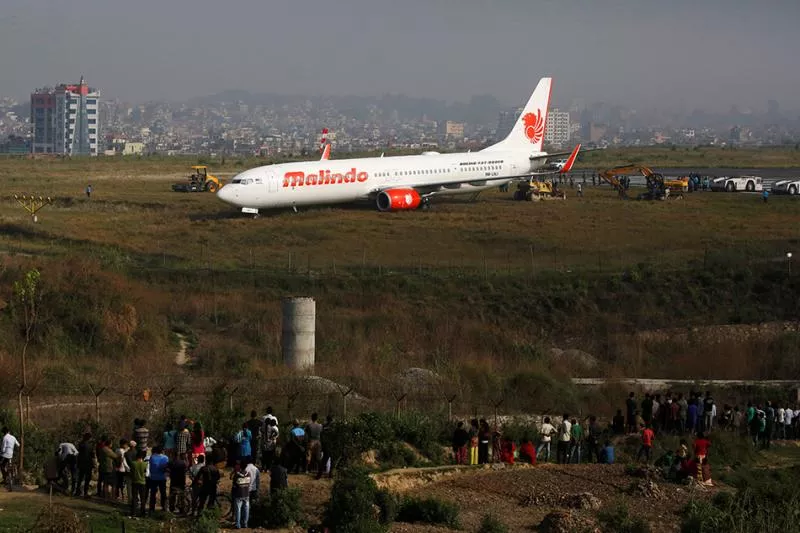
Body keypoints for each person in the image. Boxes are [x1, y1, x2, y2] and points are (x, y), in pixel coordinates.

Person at [231, 461, 252, 529]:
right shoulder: (248, 474)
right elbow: (249, 483)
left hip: (238, 494)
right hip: (246, 494)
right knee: (246, 509)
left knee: (238, 510)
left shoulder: (237, 475)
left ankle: (238, 524)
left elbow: (234, 485)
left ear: (240, 466)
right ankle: (245, 524)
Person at [148, 446, 169, 513]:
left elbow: (151, 467)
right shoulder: (165, 458)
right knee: (163, 493)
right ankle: (164, 507)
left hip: (153, 478)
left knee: (153, 493)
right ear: (162, 451)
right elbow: (166, 468)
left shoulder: (152, 457)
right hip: (162, 477)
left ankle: (151, 508)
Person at [130, 450, 148, 517]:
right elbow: (146, 474)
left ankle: (133, 512)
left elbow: (131, 472)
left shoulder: (133, 463)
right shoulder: (145, 464)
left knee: (134, 498)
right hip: (142, 482)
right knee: (143, 498)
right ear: (142, 457)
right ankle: (142, 512)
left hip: (134, 482)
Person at [317, 415, 334, 479]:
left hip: (325, 445)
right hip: (332, 445)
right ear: (331, 420)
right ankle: (330, 475)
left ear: (327, 420)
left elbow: (321, 435)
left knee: (324, 460)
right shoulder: (334, 426)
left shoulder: (323, 426)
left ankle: (319, 475)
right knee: (332, 461)